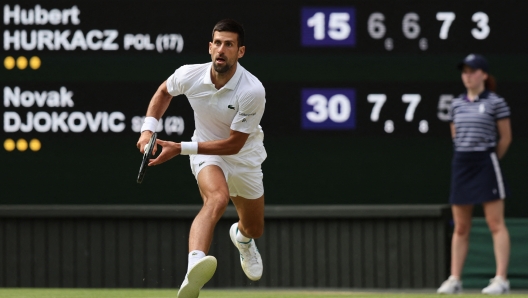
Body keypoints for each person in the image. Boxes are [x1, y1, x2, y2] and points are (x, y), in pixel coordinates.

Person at [136, 19, 266, 298]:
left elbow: (234, 144)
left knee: (254, 227)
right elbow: (163, 92)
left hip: (244, 157)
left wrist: (179, 148)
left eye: (229, 44)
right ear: (210, 47)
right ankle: (194, 265)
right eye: (217, 43)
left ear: (240, 52)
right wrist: (148, 130)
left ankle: (242, 239)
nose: (222, 50)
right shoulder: (190, 75)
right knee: (216, 198)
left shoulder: (252, 90)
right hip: (207, 154)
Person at [437, 54, 512, 295]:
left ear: (484, 75)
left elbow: (506, 138)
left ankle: (501, 279)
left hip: (485, 162)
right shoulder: (456, 104)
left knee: (495, 223)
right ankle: (455, 279)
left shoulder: (496, 102)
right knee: (460, 227)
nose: (467, 75)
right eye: (465, 71)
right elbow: (455, 135)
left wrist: (490, 161)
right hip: (462, 163)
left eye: (473, 71)